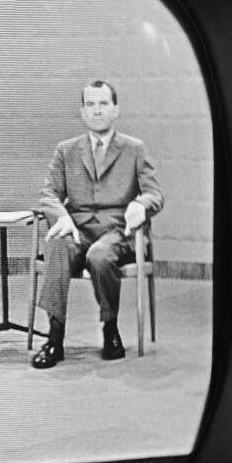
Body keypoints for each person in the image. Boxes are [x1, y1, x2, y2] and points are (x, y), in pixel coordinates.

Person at [32, 80, 164, 369]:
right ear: (82, 112)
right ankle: (54, 338)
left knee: (99, 255)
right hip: (78, 229)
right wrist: (63, 218)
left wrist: (139, 204)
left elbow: (155, 194)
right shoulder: (66, 151)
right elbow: (48, 194)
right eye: (90, 105)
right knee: (56, 243)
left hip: (118, 232)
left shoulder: (134, 149)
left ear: (115, 110)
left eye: (103, 104)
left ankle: (110, 328)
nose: (97, 111)